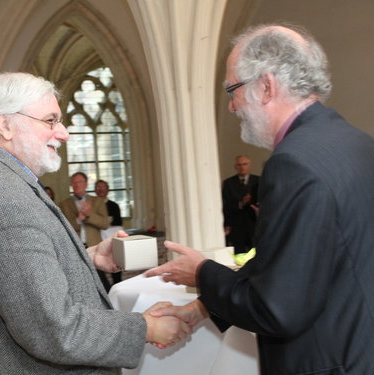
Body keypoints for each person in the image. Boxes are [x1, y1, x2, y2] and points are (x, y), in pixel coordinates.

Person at [145, 23, 374, 374]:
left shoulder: (292, 162)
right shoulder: (357, 142)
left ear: (266, 87)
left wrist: (202, 271)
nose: (232, 107)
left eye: (232, 91)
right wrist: (203, 308)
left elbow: (279, 307)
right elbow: (290, 261)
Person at [0, 72, 190, 374]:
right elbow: (51, 329)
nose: (64, 133)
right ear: (5, 124)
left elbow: (10, 276)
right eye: (50, 120)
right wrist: (145, 328)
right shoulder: (3, 195)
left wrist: (86, 257)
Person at [60, 172, 111, 290]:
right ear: (71, 185)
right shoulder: (64, 204)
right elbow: (62, 228)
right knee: (79, 278)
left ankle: (108, 302)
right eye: (74, 182)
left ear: (86, 184)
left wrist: (89, 215)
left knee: (100, 278)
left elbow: (104, 224)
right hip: (74, 246)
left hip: (94, 244)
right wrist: (78, 219)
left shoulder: (97, 201)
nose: (77, 185)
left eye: (80, 182)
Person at [222, 155, 259, 253]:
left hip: (254, 223)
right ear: (235, 167)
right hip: (237, 224)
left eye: (245, 164)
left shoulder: (258, 180)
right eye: (239, 165)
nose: (242, 167)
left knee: (256, 251)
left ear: (249, 165)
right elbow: (226, 204)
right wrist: (241, 203)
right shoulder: (228, 183)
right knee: (239, 252)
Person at [95, 179, 123, 284]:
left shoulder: (113, 205)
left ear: (108, 190)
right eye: (98, 187)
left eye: (103, 187)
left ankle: (117, 283)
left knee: (115, 261)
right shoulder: (92, 205)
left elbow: (118, 221)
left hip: (111, 237)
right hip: (97, 238)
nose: (101, 190)